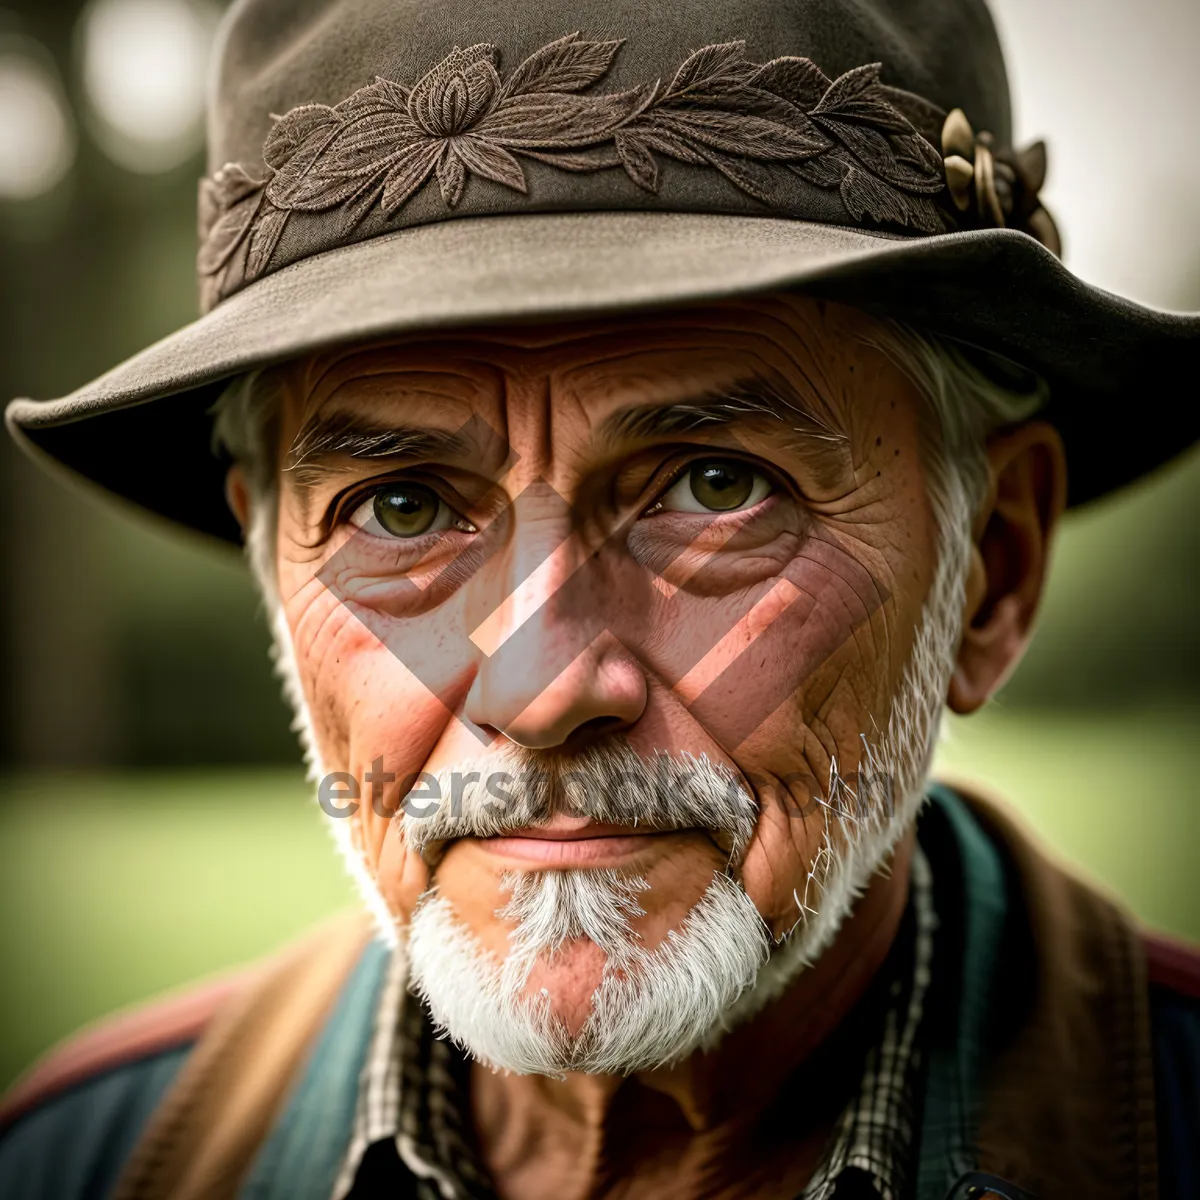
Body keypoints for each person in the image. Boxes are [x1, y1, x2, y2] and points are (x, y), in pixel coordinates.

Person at [2, 0, 1198, 1197]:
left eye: (714, 486)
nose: (540, 691)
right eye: (404, 507)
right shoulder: (78, 1164)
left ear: (992, 563)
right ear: (274, 569)